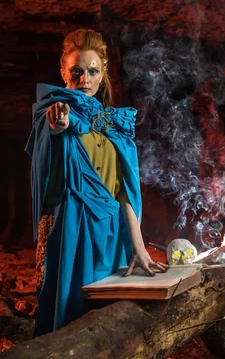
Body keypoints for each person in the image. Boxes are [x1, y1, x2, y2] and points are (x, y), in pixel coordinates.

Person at [25, 29, 168, 336]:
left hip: (112, 232)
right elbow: (51, 132)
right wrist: (58, 124)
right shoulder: (53, 111)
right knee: (69, 312)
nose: (84, 79)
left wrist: (139, 248)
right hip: (70, 229)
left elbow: (123, 192)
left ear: (103, 75)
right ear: (63, 72)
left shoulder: (112, 125)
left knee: (105, 318)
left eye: (92, 71)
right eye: (76, 71)